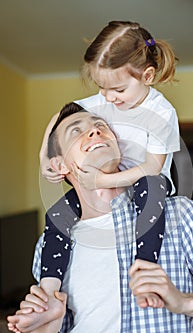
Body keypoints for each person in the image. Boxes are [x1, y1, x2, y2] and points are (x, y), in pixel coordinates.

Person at [7, 106, 193, 333]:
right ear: (59, 165)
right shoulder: (48, 249)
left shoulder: (181, 215)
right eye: (76, 131)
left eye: (100, 125)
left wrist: (185, 302)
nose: (94, 131)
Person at [39, 21, 180, 308]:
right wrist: (44, 155)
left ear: (147, 76)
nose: (107, 97)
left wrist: (100, 181)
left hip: (148, 181)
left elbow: (152, 168)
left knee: (149, 190)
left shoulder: (161, 113)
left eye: (116, 89)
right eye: (101, 88)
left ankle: (144, 268)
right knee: (58, 214)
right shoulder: (106, 99)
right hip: (113, 182)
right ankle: (49, 288)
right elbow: (60, 115)